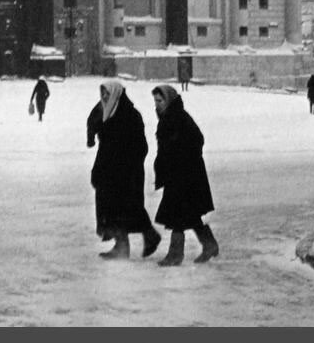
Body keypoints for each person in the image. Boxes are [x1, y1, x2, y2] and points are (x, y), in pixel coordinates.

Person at [86, 80, 161, 260]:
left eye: (107, 93)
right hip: (108, 169)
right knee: (114, 209)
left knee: (127, 207)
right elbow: (93, 122)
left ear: (116, 93)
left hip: (126, 171)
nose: (104, 97)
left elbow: (140, 146)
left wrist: (125, 164)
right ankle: (123, 246)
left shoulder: (130, 114)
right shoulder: (105, 111)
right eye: (102, 93)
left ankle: (147, 236)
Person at [151, 84, 218, 266]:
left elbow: (198, 139)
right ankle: (209, 244)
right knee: (188, 213)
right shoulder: (167, 118)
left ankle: (175, 255)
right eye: (155, 101)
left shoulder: (179, 117)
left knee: (177, 215)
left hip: (186, 174)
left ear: (169, 100)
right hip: (178, 174)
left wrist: (181, 156)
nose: (157, 105)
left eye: (160, 100)